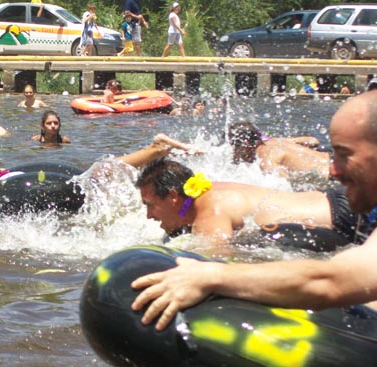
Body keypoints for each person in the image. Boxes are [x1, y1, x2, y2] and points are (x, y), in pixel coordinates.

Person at [130, 89, 377, 332]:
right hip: (336, 208)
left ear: (173, 197)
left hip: (339, 215)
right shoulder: (211, 192)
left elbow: (331, 282)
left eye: (345, 154)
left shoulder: (209, 210)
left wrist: (210, 275)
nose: (333, 171)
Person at [0, 135, 193, 212]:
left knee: (83, 187)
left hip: (15, 190)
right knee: (87, 178)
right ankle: (154, 151)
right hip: (14, 181)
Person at [135, 158, 334, 242]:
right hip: (329, 201)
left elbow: (217, 266)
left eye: (150, 205)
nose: (148, 215)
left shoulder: (209, 212)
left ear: (172, 196)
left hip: (339, 219)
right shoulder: (207, 191)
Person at [228, 121, 330, 179]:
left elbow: (284, 186)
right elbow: (314, 141)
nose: (232, 150)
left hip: (333, 176)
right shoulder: (276, 141)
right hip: (334, 160)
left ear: (245, 145)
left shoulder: (265, 159)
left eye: (232, 144)